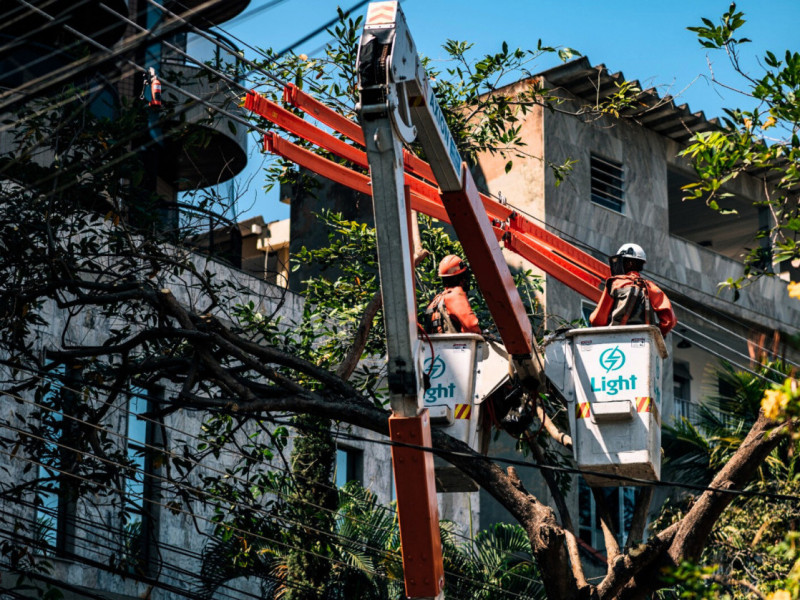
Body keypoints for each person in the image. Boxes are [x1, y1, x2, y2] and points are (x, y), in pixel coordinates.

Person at [589, 243, 677, 337]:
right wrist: (656, 334)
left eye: (621, 261)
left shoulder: (615, 283)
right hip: (644, 341)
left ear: (630, 263)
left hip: (616, 339)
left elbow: (598, 320)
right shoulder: (652, 288)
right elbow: (670, 321)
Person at [424, 254, 481, 334]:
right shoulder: (455, 294)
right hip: (457, 345)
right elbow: (471, 326)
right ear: (462, 277)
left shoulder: (436, 300)